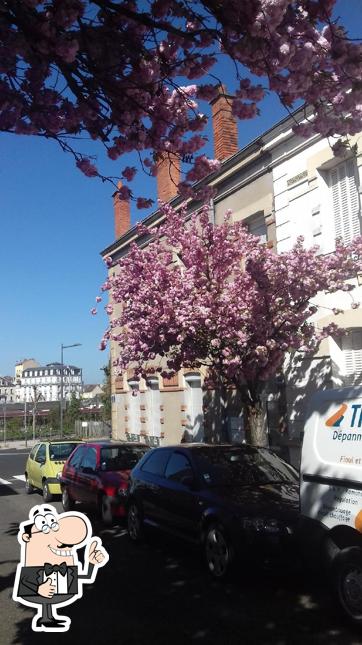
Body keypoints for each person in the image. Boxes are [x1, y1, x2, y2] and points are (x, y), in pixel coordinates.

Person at [13, 504, 108, 632]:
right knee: (46, 598)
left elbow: (86, 577)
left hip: (60, 591)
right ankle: (46, 618)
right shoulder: (34, 567)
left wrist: (91, 562)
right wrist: (38, 588)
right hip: (41, 591)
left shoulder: (64, 566)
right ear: (28, 537)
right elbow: (24, 582)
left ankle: (49, 617)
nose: (65, 546)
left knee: (51, 598)